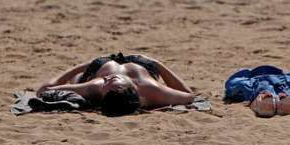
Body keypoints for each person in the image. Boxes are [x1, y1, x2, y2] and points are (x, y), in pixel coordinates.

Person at [37, 53, 196, 116]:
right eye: (110, 81)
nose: (107, 79)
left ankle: (80, 76)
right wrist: (157, 64)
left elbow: (44, 90)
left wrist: (82, 67)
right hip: (141, 65)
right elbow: (188, 95)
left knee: (78, 79)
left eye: (106, 83)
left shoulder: (96, 85)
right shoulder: (151, 89)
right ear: (132, 88)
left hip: (98, 67)